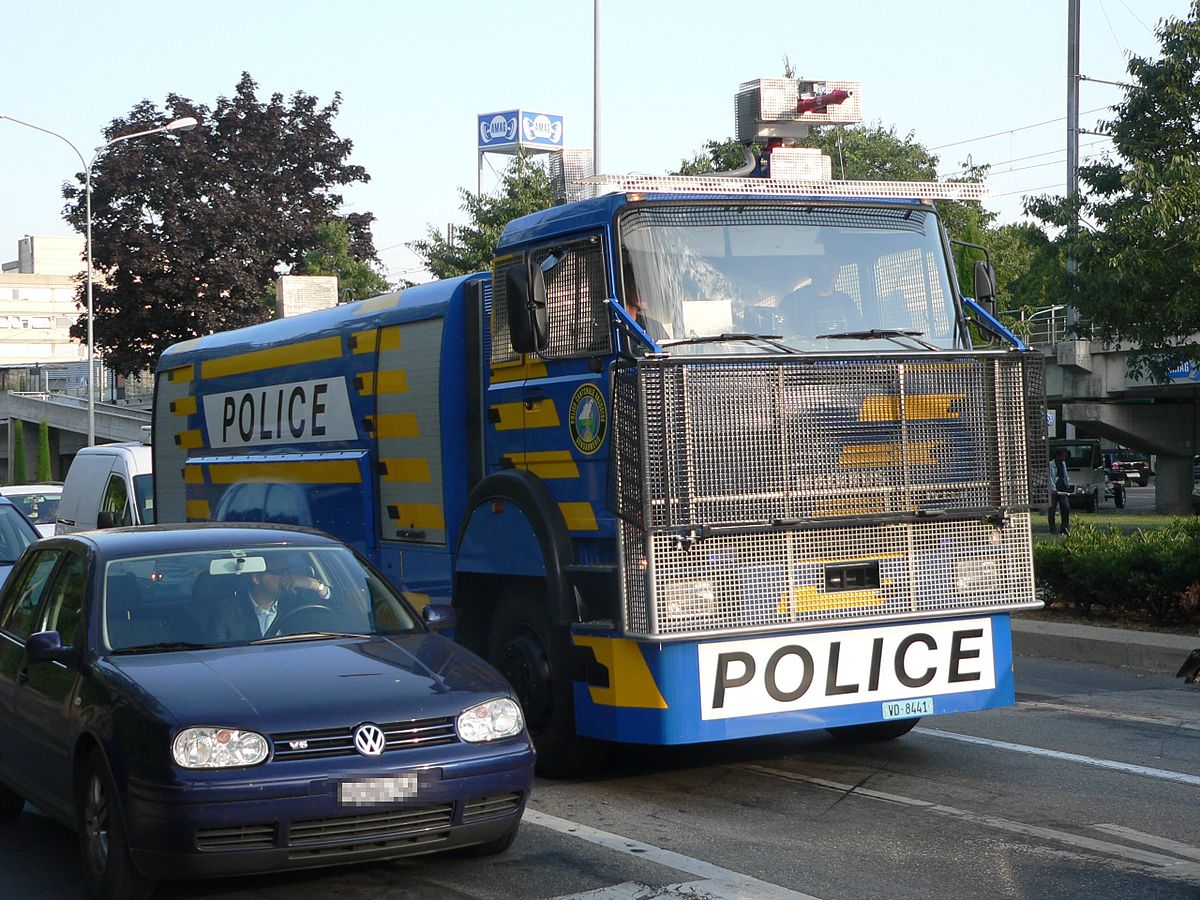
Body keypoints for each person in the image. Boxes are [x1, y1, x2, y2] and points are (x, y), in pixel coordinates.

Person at [208, 556, 330, 641]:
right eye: (279, 572)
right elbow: (217, 654)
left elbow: (343, 613)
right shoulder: (226, 611)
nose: (286, 577)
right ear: (256, 578)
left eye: (287, 571)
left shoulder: (297, 605)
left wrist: (315, 585)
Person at [779, 256, 859, 336]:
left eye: (835, 267)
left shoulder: (845, 301)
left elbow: (859, 331)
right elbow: (783, 335)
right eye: (828, 265)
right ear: (813, 271)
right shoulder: (793, 302)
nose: (833, 270)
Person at [621, 258, 668, 341]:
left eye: (648, 286)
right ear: (626, 287)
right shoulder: (613, 329)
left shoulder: (655, 328)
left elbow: (670, 351)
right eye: (641, 285)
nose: (646, 291)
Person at [1048, 448, 1072, 535]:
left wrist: (1068, 484)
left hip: (1062, 489)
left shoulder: (1063, 464)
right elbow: (1050, 478)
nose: (1064, 458)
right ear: (1058, 456)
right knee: (1052, 511)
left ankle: (1064, 529)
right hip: (1053, 491)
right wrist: (1053, 489)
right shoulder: (1050, 464)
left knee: (1065, 508)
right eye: (1063, 456)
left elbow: (1065, 475)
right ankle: (1052, 529)